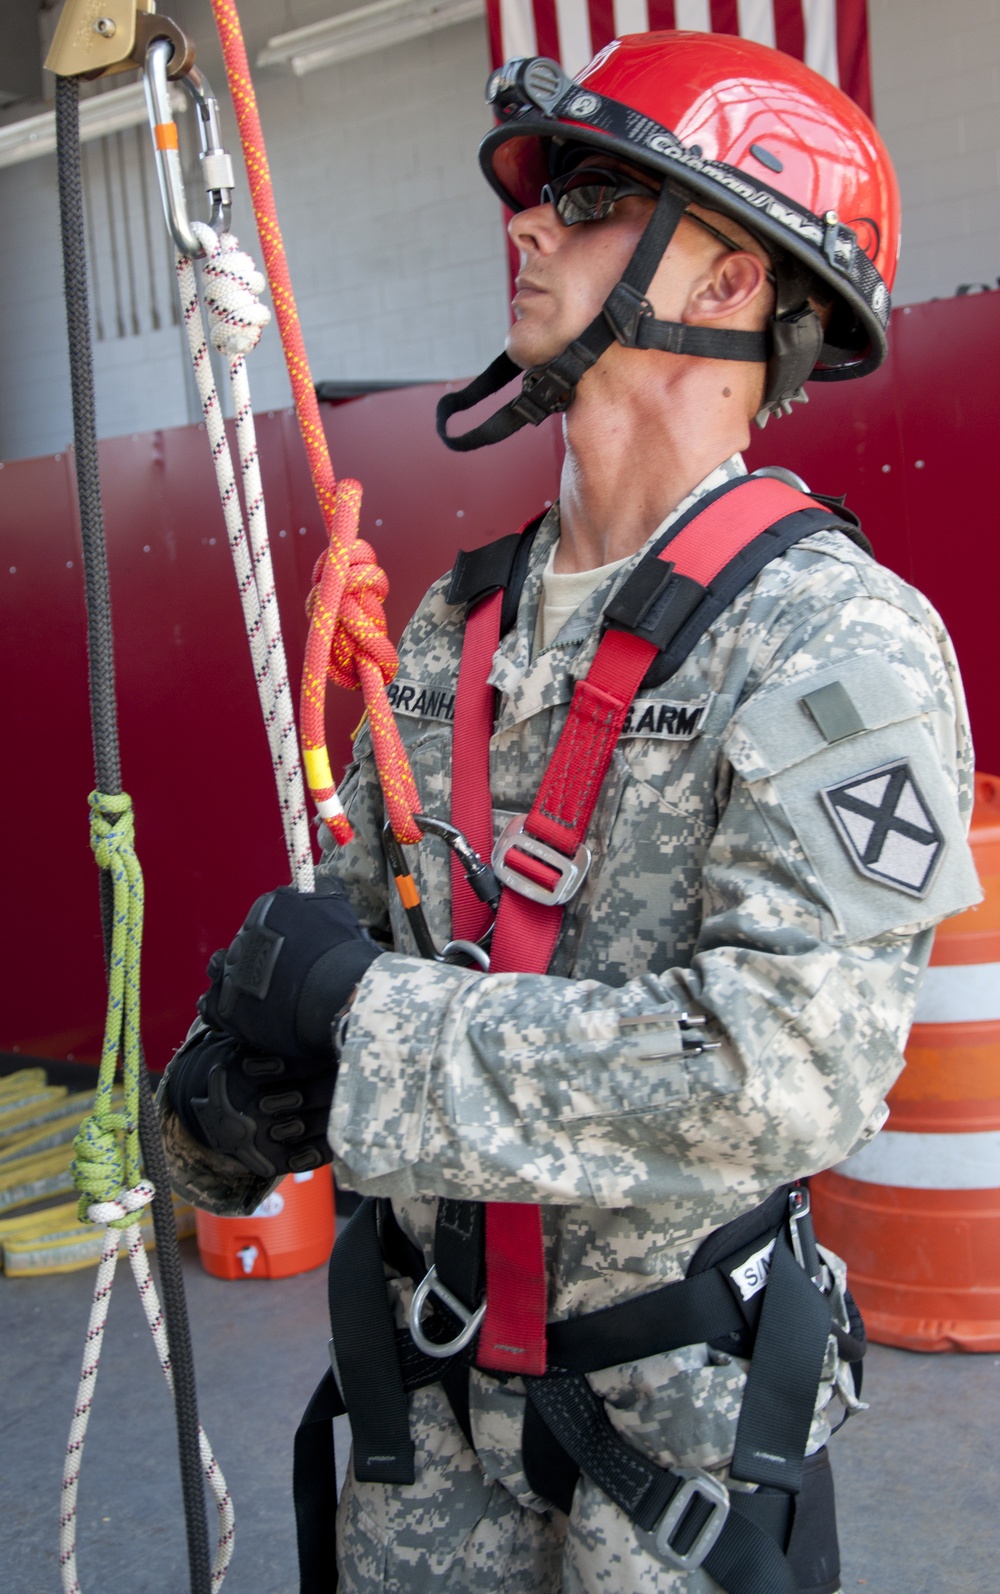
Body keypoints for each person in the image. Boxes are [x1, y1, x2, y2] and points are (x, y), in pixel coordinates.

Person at [159, 31, 981, 1594]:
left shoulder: (843, 644)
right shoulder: (451, 635)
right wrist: (221, 1103)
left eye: (589, 194)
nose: (523, 226)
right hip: (421, 1438)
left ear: (733, 281)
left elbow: (793, 1066)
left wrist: (369, 1027)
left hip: (666, 1462)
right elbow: (349, 954)